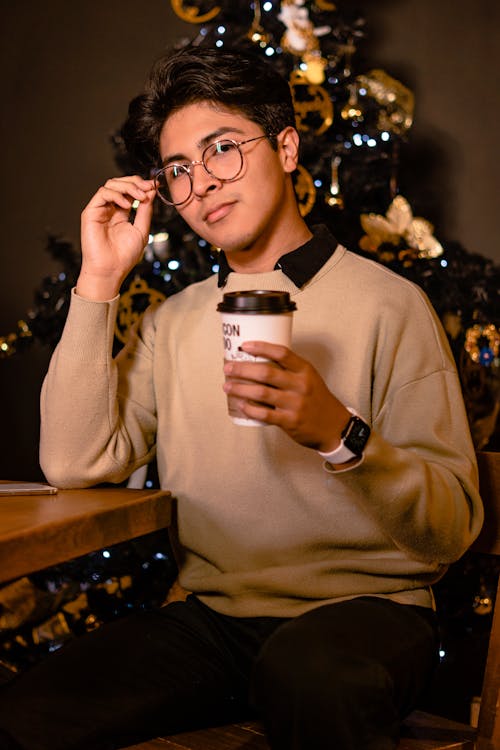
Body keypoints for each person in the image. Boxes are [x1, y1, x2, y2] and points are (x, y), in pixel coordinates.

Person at [0, 45, 483, 750]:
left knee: (315, 681)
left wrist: (339, 435)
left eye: (223, 149)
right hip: (213, 618)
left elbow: (452, 528)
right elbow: (73, 462)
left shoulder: (390, 306)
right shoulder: (173, 321)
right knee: (25, 713)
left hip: (368, 611)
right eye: (178, 170)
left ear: (286, 147)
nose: (200, 186)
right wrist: (98, 283)